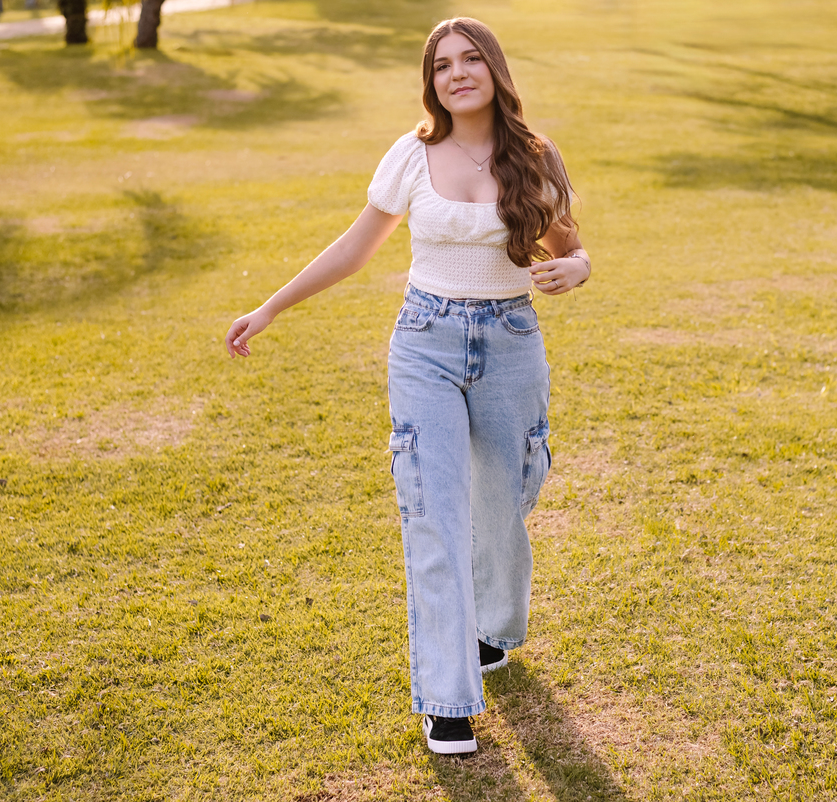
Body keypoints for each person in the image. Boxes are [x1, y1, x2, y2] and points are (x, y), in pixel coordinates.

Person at [224, 16, 590, 756]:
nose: (457, 73)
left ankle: (492, 624)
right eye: (443, 64)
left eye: (471, 59)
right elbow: (355, 249)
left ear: (494, 70)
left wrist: (574, 271)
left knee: (504, 500)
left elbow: (571, 248)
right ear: (432, 81)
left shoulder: (534, 157)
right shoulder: (413, 155)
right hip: (424, 344)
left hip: (511, 341)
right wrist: (268, 308)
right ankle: (448, 701)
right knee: (435, 513)